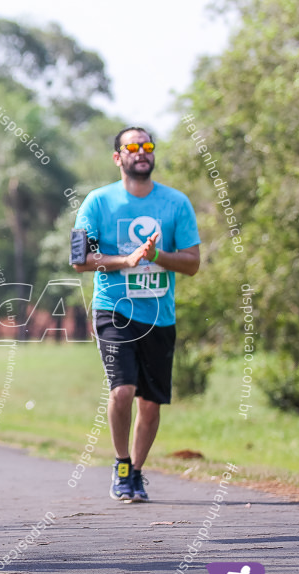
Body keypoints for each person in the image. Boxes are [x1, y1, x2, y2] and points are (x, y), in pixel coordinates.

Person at [72, 126, 201, 503]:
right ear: (118, 157)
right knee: (123, 390)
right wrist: (125, 260)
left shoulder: (176, 204)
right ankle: (122, 464)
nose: (141, 152)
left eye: (147, 146)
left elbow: (192, 264)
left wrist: (157, 256)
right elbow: (79, 260)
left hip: (160, 315)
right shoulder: (98, 202)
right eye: (133, 147)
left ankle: (138, 473)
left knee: (150, 402)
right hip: (115, 310)